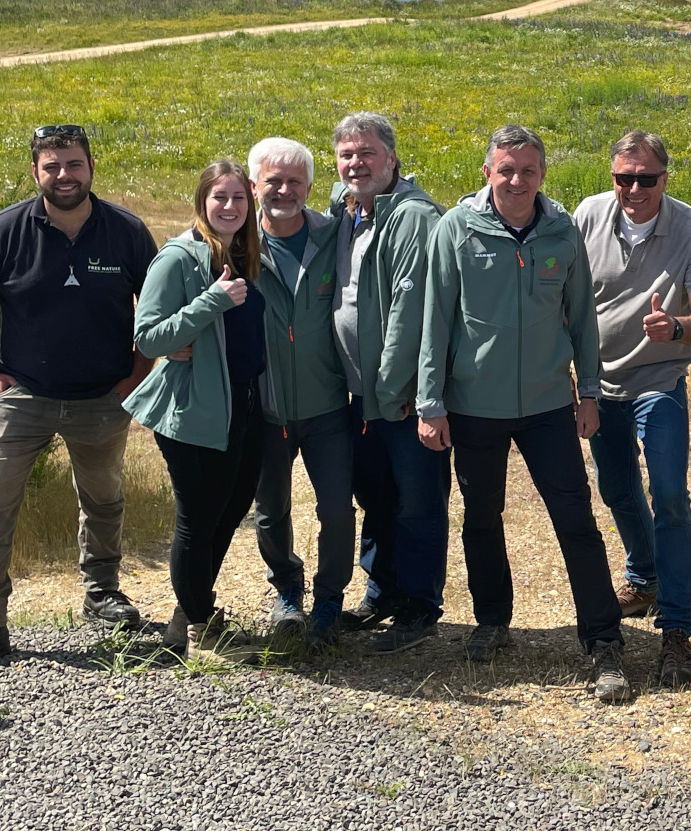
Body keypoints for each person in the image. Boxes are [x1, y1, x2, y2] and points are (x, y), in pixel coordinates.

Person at [417, 124, 628, 701]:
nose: (516, 180)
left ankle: (603, 639)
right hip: (473, 404)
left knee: (576, 522)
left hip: (548, 405)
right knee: (481, 517)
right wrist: (430, 402)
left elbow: (583, 318)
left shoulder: (562, 231)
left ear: (542, 174)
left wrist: (590, 392)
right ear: (487, 172)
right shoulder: (455, 230)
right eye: (505, 169)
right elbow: (435, 318)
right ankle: (492, 621)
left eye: (527, 170)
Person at [0, 124, 157, 672]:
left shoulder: (126, 232)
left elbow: (156, 307)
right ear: (36, 172)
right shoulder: (5, 230)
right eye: (52, 166)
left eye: (74, 164)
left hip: (102, 397)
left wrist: (136, 376)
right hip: (20, 395)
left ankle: (102, 593)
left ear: (91, 166)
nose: (64, 175)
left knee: (104, 497)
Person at [573, 130, 691, 688]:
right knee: (615, 489)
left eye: (646, 178)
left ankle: (677, 630)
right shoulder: (588, 217)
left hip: (660, 379)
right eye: (623, 178)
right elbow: (563, 296)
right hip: (599, 383)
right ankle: (644, 575)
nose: (633, 188)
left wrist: (678, 326)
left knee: (670, 494)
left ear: (666, 177)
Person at [123, 161, 268, 665]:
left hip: (246, 404)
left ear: (250, 203)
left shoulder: (251, 253)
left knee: (228, 513)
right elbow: (149, 336)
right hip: (194, 410)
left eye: (238, 199)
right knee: (197, 519)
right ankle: (202, 630)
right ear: (202, 202)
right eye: (219, 198)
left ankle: (189, 614)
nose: (229, 207)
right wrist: (211, 301)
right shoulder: (178, 258)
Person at [329, 112, 450, 653]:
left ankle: (419, 605)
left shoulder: (414, 218)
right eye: (347, 155)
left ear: (393, 158)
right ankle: (382, 591)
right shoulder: (353, 208)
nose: (357, 164)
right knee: (375, 494)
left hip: (397, 395)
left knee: (417, 500)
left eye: (367, 153)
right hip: (357, 391)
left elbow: (410, 309)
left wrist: (397, 388)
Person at [240, 137, 356, 649]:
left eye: (294, 182)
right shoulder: (235, 242)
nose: (283, 191)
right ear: (253, 186)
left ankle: (329, 600)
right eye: (273, 181)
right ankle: (287, 591)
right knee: (271, 511)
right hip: (266, 408)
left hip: (328, 404)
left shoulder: (335, 235)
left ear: (310, 186)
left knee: (337, 509)